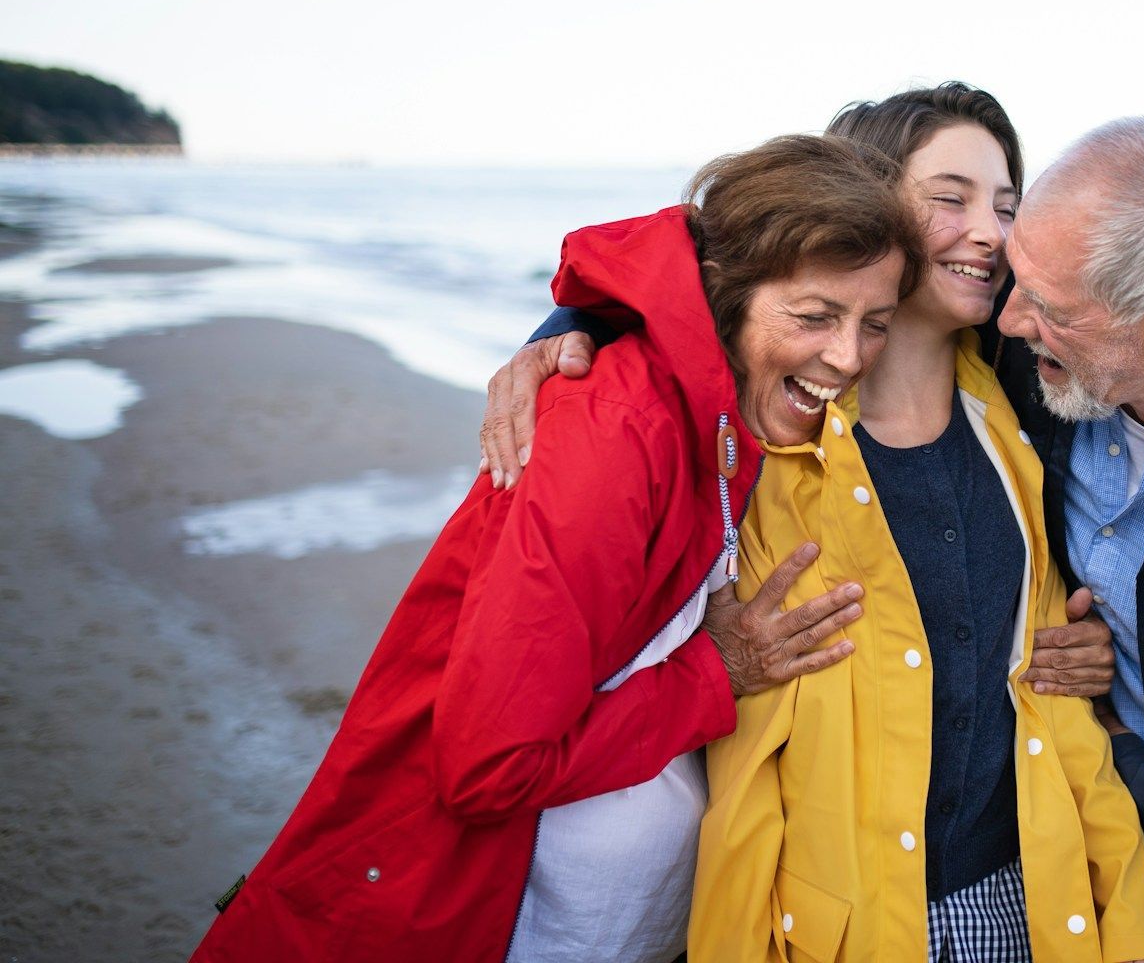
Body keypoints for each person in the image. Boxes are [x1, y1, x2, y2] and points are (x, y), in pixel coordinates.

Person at [495, 113, 1144, 963]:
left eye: (1047, 304)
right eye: (1012, 268)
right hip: (1102, 871)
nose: (1010, 313)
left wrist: (1130, 769)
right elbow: (769, 259)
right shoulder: (1044, 373)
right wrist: (574, 327)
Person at [191, 134, 923, 963]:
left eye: (877, 325)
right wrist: (717, 675)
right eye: (814, 316)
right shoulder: (618, 434)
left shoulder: (720, 416)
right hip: (457, 913)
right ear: (726, 297)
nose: (849, 356)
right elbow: (488, 765)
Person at [514, 85, 1144, 963]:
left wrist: (1104, 661)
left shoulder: (1031, 408)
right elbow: (694, 272)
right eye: (951, 198)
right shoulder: (758, 438)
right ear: (865, 205)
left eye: (1009, 206)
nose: (992, 231)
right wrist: (570, 323)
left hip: (1029, 901)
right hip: (834, 923)